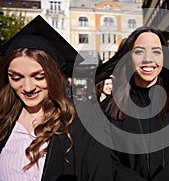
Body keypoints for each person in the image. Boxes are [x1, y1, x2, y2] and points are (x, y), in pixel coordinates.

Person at [0, 15, 113, 180]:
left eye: (39, 77)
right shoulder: (4, 120)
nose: (28, 88)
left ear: (54, 76)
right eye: (16, 78)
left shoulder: (81, 124)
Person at [94, 26, 169, 180]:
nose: (148, 59)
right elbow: (106, 164)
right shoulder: (110, 111)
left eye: (156, 51)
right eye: (139, 51)